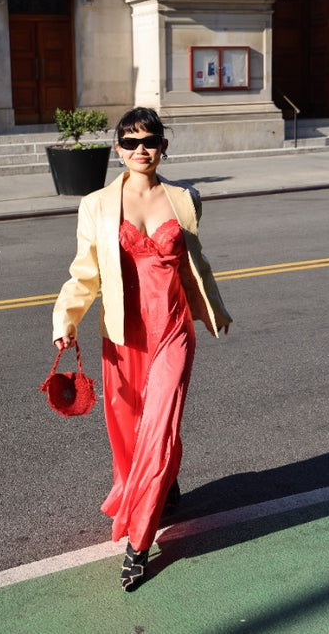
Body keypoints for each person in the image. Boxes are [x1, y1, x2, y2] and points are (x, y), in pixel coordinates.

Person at [52, 107, 232, 591]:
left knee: (159, 426)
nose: (140, 151)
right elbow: (84, 272)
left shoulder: (185, 199)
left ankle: (139, 539)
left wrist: (215, 309)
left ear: (163, 146)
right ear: (117, 149)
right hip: (121, 338)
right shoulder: (96, 205)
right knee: (130, 433)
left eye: (149, 141)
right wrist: (67, 320)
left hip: (172, 332)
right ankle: (163, 480)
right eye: (130, 143)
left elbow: (197, 263)